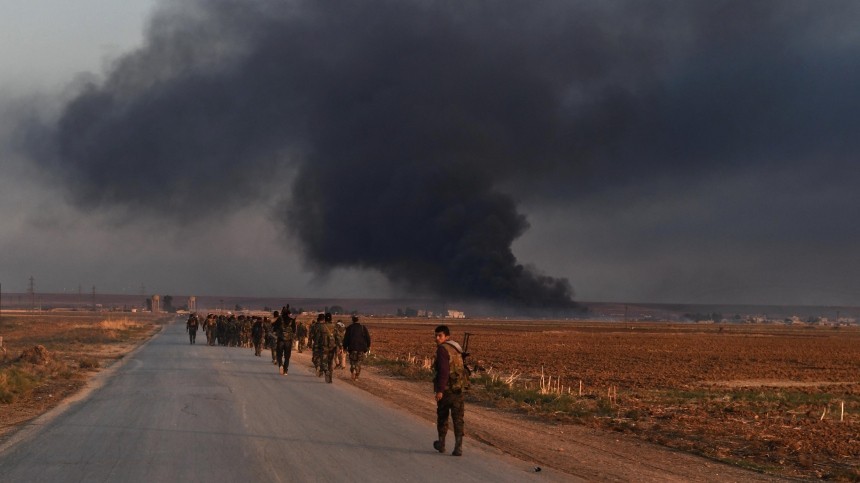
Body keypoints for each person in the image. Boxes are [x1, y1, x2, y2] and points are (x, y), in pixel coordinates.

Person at [432, 325, 466, 456]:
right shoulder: (456, 348)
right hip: (459, 388)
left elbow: (443, 372)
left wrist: (440, 390)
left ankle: (441, 443)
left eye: (440, 336)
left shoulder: (442, 350)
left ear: (447, 337)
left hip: (447, 390)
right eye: (436, 335)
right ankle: (458, 447)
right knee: (458, 418)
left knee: (442, 417)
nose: (437, 338)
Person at [343, 315, 371, 381]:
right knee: (359, 362)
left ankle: (352, 372)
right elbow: (368, 338)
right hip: (361, 348)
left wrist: (344, 347)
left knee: (352, 362)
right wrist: (368, 346)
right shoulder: (363, 328)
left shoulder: (349, 328)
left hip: (352, 348)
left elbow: (346, 339)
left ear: (352, 320)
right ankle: (357, 376)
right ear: (358, 320)